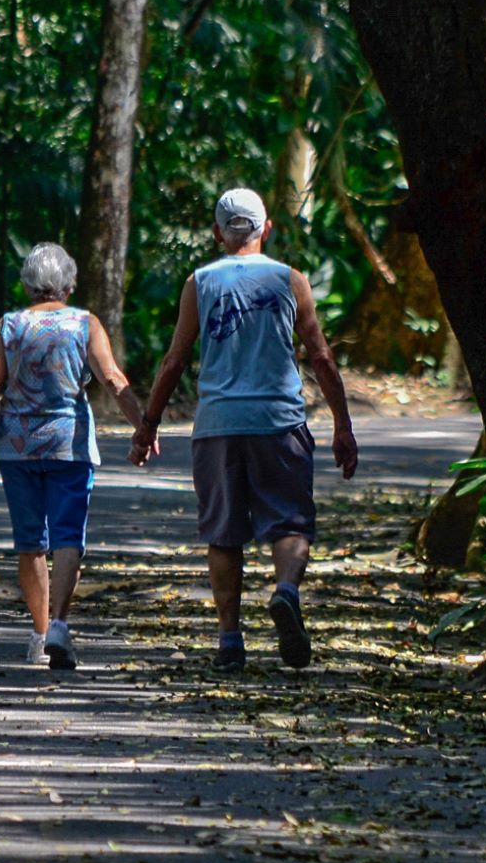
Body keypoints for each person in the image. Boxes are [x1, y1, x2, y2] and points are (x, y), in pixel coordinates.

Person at [130, 188, 357, 671]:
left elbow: (174, 360)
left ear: (218, 233)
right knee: (290, 522)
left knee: (224, 533)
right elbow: (321, 356)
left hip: (218, 424)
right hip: (279, 421)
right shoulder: (290, 279)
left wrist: (148, 424)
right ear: (265, 229)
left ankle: (230, 641)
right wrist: (343, 424)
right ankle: (286, 590)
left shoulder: (200, 283)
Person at [0, 242, 153, 670]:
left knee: (30, 541)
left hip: (17, 449)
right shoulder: (84, 323)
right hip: (69, 447)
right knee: (68, 536)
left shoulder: (9, 326)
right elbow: (112, 379)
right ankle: (59, 625)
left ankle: (39, 636)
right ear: (69, 284)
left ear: (27, 284)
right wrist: (142, 426)